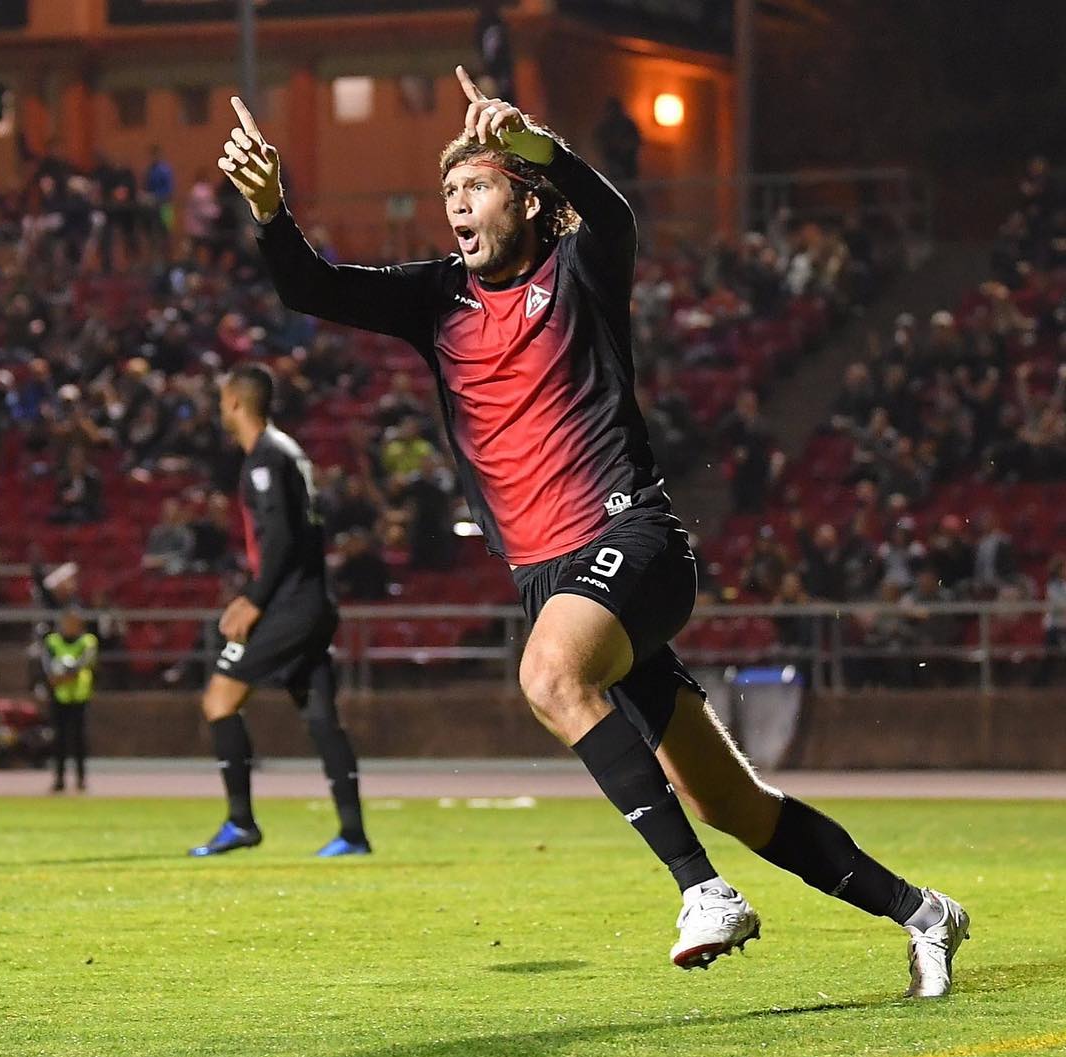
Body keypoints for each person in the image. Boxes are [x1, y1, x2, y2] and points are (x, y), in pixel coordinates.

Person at [217, 73, 968, 997]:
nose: (458, 203)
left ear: (528, 199)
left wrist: (535, 141)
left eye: (480, 184)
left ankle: (703, 891)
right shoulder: (436, 300)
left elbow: (609, 211)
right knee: (728, 799)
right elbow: (310, 285)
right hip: (553, 579)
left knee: (547, 675)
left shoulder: (578, 269)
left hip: (632, 541)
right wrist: (269, 208)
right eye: (451, 191)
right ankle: (924, 913)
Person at [188, 364, 370, 859]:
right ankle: (352, 833)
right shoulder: (289, 452)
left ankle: (240, 823)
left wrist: (253, 599)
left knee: (219, 701)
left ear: (235, 403)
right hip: (313, 601)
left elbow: (284, 540)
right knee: (321, 719)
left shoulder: (266, 459)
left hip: (288, 605)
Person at [42, 608, 98, 792]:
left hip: (79, 697)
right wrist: (55, 676)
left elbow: (86, 662)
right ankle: (59, 779)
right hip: (59, 696)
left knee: (79, 739)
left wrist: (68, 673)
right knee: (59, 739)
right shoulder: (52, 641)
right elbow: (47, 664)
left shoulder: (87, 641)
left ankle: (81, 779)